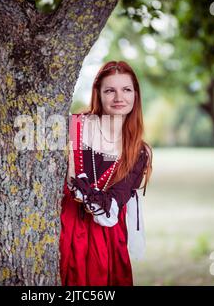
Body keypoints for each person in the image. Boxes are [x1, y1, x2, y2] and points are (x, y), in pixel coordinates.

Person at [59, 60, 153, 286]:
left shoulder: (137, 151)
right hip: (64, 229)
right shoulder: (71, 127)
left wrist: (79, 184)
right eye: (110, 90)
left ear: (136, 95)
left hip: (106, 240)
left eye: (126, 90)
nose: (119, 98)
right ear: (98, 94)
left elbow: (110, 210)